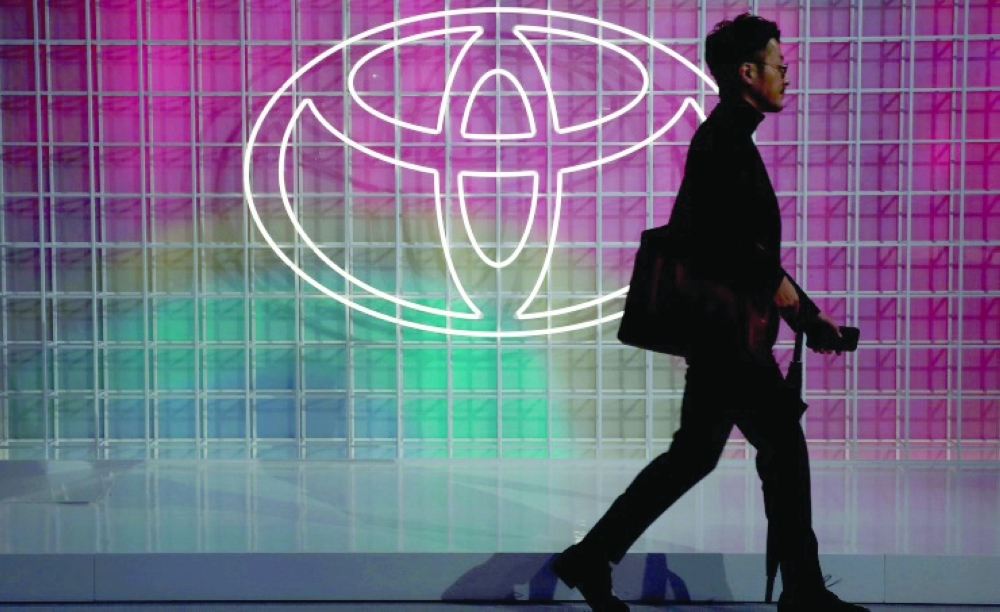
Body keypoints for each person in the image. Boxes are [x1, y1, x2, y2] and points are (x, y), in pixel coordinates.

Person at [550, 14, 869, 612]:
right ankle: (803, 591)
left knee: (694, 456)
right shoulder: (724, 141)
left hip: (724, 336)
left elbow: (747, 253)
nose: (787, 76)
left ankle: (591, 557)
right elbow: (738, 252)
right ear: (747, 72)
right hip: (730, 340)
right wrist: (804, 315)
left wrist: (805, 315)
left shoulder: (726, 138)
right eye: (779, 66)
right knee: (781, 451)